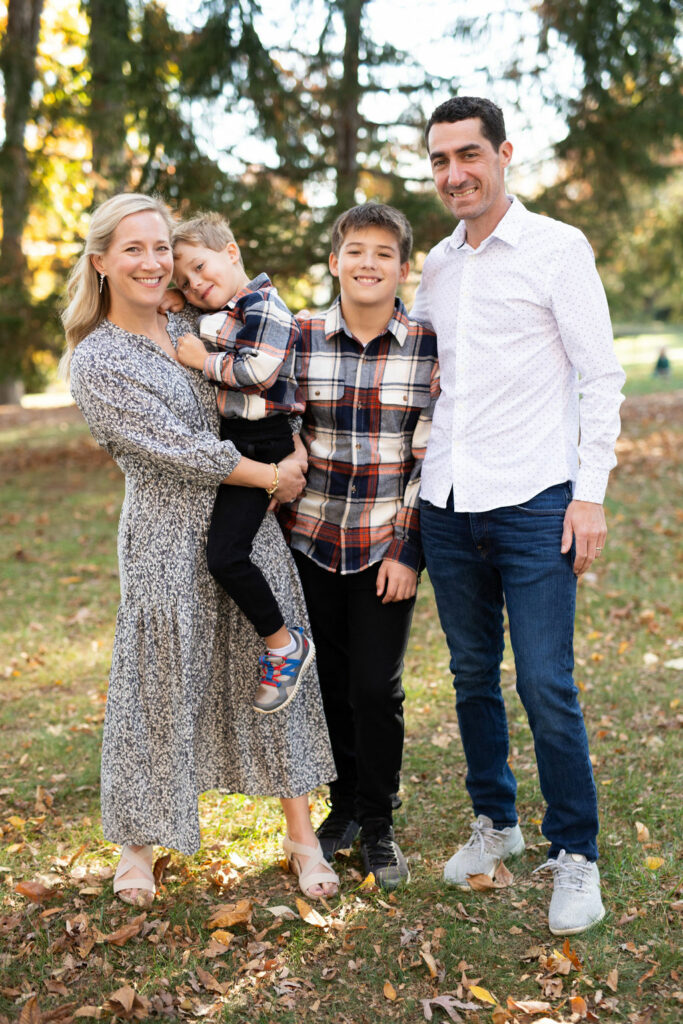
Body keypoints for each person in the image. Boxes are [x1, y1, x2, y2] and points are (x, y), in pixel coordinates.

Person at [61, 193, 339, 907]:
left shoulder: (197, 324)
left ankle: (301, 836)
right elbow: (176, 448)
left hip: (245, 525)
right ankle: (137, 844)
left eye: (161, 247)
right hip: (164, 534)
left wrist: (292, 449)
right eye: (134, 249)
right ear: (101, 262)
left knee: (273, 666)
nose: (154, 262)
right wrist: (270, 476)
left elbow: (267, 390)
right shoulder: (97, 358)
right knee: (157, 682)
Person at [412, 97, 626, 935]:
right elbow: (422, 371)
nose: (454, 174)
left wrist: (589, 492)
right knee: (471, 675)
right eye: (440, 160)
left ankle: (575, 852)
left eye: (468, 155)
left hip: (536, 499)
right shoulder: (435, 266)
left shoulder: (556, 248)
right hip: (446, 502)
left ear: (503, 155)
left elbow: (599, 376)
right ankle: (495, 823)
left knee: (543, 682)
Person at [279, 203, 440, 890]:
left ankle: (378, 821)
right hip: (309, 540)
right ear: (334, 262)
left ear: (404, 268)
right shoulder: (300, 335)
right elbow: (277, 419)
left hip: (382, 546)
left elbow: (428, 458)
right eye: (355, 250)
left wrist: (408, 549)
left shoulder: (427, 345)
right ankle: (342, 808)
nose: (367, 263)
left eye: (383, 253)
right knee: (328, 683)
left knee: (376, 686)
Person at [169, 212, 312, 715]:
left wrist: (201, 360)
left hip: (262, 443)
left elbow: (260, 370)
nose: (195, 284)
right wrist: (178, 302)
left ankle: (284, 645)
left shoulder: (265, 305)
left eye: (200, 267)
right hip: (240, 441)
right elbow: (208, 322)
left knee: (226, 556)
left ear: (231, 252)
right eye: (184, 282)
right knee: (228, 552)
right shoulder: (223, 309)